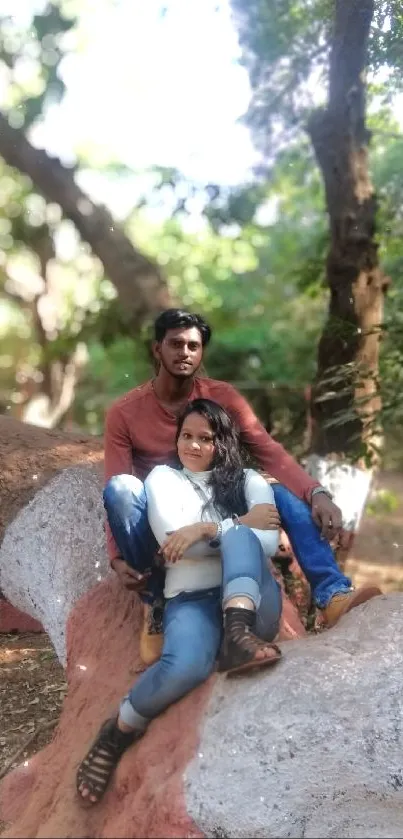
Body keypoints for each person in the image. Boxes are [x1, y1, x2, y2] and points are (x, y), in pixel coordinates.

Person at [104, 308, 381, 664]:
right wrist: (116, 556)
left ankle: (332, 596)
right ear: (157, 349)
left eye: (193, 345)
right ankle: (155, 603)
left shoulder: (224, 397)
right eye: (175, 344)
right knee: (121, 490)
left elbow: (270, 453)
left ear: (202, 353)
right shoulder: (125, 412)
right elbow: (115, 488)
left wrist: (316, 492)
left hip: (218, 502)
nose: (184, 352)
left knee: (283, 494)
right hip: (166, 519)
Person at [77, 399, 283, 805]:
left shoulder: (248, 481)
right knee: (185, 665)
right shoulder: (162, 480)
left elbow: (269, 543)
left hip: (254, 604)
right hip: (190, 597)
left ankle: (237, 635)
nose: (193, 446)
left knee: (242, 538)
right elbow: (174, 541)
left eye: (205, 438)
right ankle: (116, 733)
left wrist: (207, 528)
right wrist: (235, 527)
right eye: (186, 436)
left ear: (222, 443)